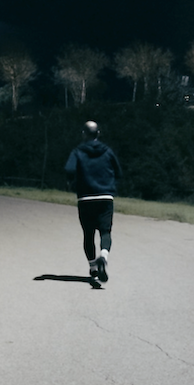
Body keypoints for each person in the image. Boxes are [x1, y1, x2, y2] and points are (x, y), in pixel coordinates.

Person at [64, 120, 121, 282]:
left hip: (86, 198)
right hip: (105, 197)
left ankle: (93, 268)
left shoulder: (77, 151)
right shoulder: (108, 151)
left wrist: (72, 183)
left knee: (88, 234)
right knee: (105, 232)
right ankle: (103, 256)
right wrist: (110, 184)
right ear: (98, 134)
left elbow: (69, 169)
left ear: (84, 134)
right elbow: (118, 171)